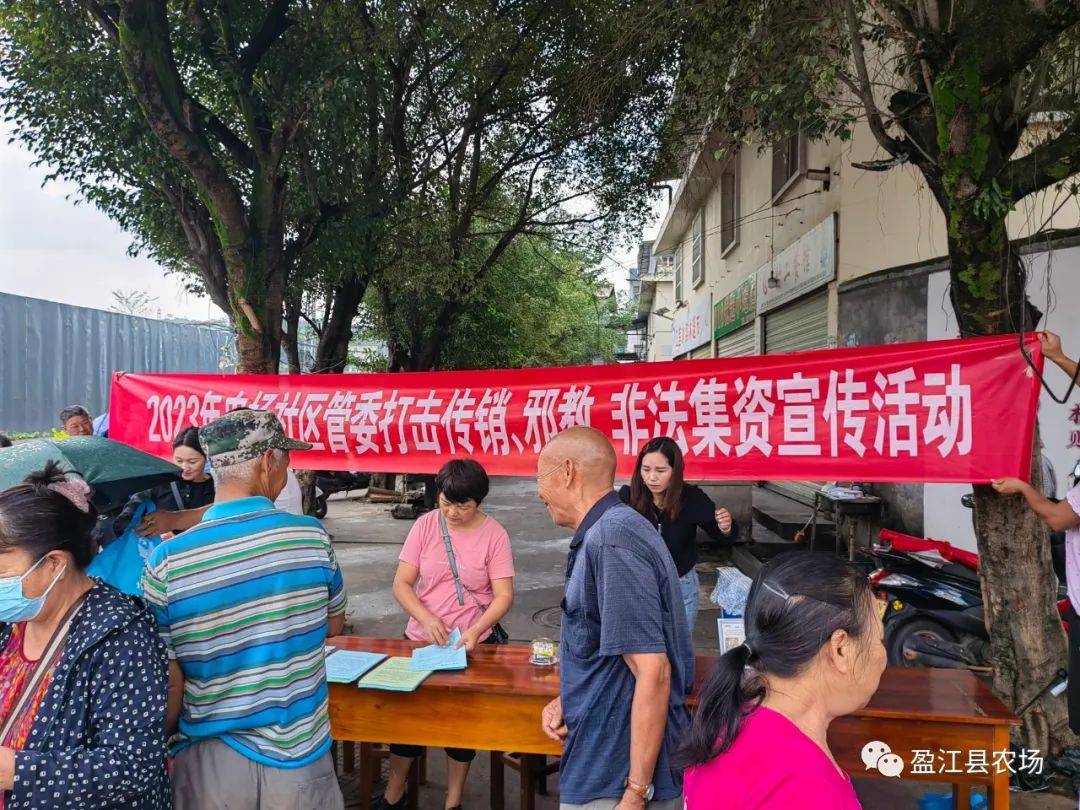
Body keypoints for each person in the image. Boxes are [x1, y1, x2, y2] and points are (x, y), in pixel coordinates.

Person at [141, 409, 348, 810]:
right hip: (298, 757)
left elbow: (170, 678)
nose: (287, 469)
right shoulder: (311, 537)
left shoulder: (167, 561)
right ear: (269, 461)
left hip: (208, 764)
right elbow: (334, 624)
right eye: (286, 459)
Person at [537, 427, 693, 810]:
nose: (539, 492)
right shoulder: (610, 531)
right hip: (600, 759)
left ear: (567, 472)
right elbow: (610, 653)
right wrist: (569, 697)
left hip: (614, 776)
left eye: (540, 477)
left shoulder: (613, 539)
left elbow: (654, 671)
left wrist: (636, 792)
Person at [0, 462, 170, 809]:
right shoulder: (13, 621)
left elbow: (134, 765)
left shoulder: (121, 634)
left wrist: (17, 771)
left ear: (53, 564)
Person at [682, 551, 885, 809]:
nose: (883, 655)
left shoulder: (724, 726)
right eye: (879, 638)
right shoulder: (811, 789)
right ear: (840, 649)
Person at [376, 459, 515, 810]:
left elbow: (503, 595)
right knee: (407, 719)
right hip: (420, 640)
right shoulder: (425, 525)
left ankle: (453, 801)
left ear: (479, 502)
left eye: (463, 506)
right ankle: (394, 794)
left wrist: (475, 630)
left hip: (470, 644)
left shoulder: (495, 535)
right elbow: (402, 583)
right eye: (446, 503)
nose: (452, 513)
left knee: (459, 725)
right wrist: (425, 617)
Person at [619, 436, 736, 634]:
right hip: (638, 585)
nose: (652, 478)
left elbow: (722, 535)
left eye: (660, 471)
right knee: (643, 646)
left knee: (678, 646)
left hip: (680, 586)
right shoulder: (628, 498)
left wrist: (726, 527)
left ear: (675, 471)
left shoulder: (692, 498)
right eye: (646, 470)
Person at [113, 426, 216, 538]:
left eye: (192, 462)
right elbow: (126, 520)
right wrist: (152, 533)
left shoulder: (218, 486)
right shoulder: (158, 483)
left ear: (206, 457)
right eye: (179, 460)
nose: (185, 467)